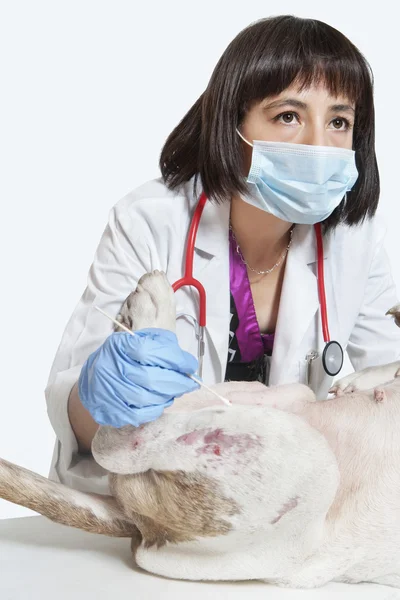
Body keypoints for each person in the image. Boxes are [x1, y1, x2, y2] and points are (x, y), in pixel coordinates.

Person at [45, 15, 400, 493]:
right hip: (145, 502)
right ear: (233, 125)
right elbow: (75, 419)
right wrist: (103, 394)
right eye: (288, 116)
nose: (320, 145)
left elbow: (390, 385)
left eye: (339, 121)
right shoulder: (150, 221)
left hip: (273, 513)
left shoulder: (355, 240)